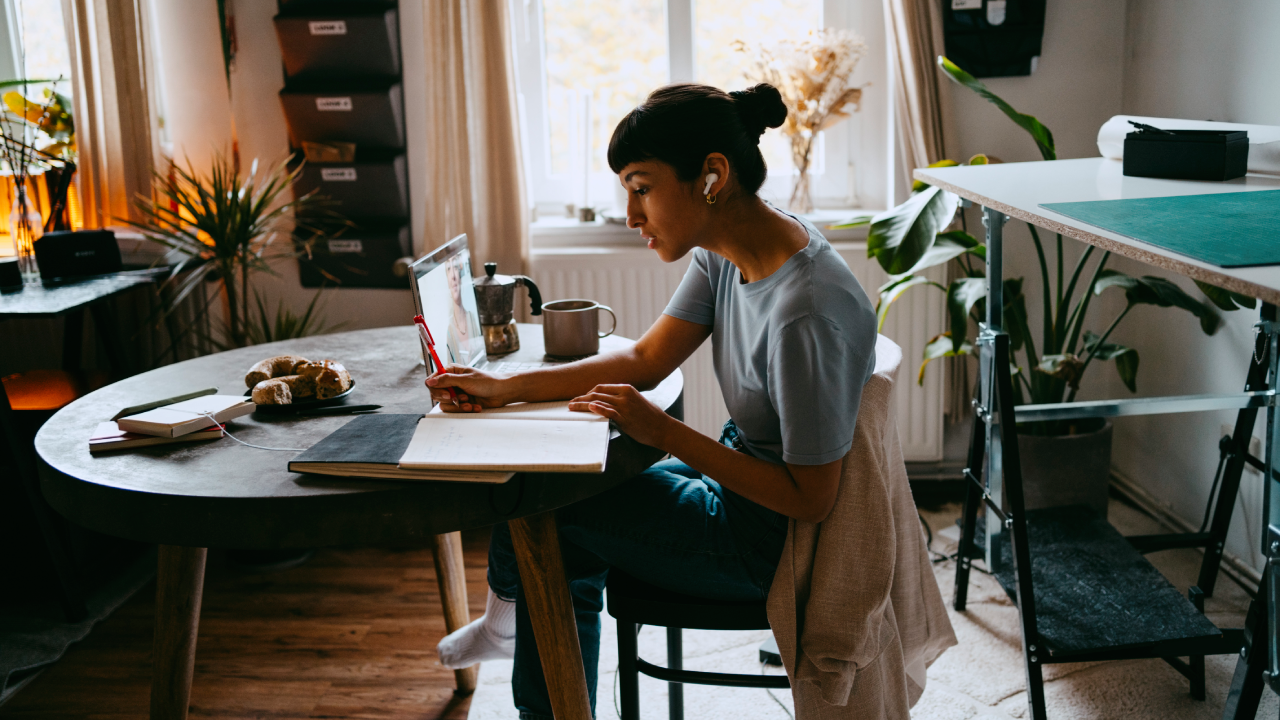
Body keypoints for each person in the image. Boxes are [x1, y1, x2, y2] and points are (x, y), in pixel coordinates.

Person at [427, 82, 878, 719]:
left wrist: (663, 433)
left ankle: (520, 647)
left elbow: (812, 498)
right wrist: (504, 389)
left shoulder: (805, 313)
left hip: (767, 545)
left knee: (549, 516)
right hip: (737, 484)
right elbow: (644, 360)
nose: (632, 215)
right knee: (545, 476)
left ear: (712, 177)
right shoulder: (732, 251)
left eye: (641, 188)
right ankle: (514, 628)